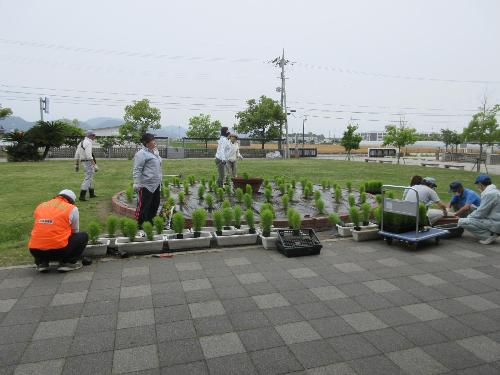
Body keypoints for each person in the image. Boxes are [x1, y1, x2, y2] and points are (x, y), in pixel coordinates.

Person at [28, 189, 88, 272]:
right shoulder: (72, 208)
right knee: (83, 236)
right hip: (58, 252)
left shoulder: (41, 205)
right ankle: (68, 263)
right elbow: (75, 231)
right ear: (71, 201)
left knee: (40, 233)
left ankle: (42, 263)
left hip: (35, 251)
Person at [458, 174, 500, 245]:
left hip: (495, 223)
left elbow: (481, 212)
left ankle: (489, 235)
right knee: (471, 207)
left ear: (480, 184)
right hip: (495, 219)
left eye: (477, 185)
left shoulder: (489, 194)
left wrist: (468, 218)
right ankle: (492, 232)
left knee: (462, 222)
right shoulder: (495, 191)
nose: (477, 187)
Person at [133, 133, 162, 228]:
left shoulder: (154, 152)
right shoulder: (141, 154)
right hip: (146, 185)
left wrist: (157, 156)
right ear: (146, 143)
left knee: (154, 205)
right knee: (143, 207)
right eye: (152, 141)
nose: (154, 142)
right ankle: (140, 225)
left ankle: (150, 223)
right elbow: (137, 169)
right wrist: (137, 183)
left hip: (156, 184)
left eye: (154, 140)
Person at [74, 130, 99, 201]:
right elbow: (89, 156)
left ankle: (91, 194)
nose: (95, 137)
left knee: (90, 177)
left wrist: (77, 164)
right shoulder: (88, 143)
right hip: (88, 162)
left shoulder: (81, 142)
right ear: (90, 136)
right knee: (88, 178)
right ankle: (82, 196)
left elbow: (77, 154)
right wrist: (94, 165)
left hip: (84, 162)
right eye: (94, 135)